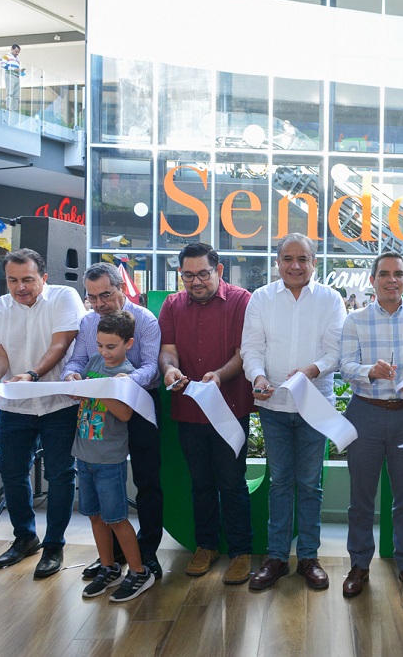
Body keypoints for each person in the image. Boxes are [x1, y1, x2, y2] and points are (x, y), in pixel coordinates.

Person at [241, 233, 346, 591]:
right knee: (280, 483)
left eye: (303, 259)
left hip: (314, 406)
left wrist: (311, 371)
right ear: (278, 262)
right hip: (272, 405)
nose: (295, 265)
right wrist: (257, 376)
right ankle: (276, 558)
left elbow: (335, 352)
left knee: (310, 485)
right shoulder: (261, 298)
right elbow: (251, 348)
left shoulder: (331, 299)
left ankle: (309, 558)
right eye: (288, 258)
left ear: (314, 263)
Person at [0, 248, 85, 578]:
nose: (20, 287)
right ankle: (25, 538)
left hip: (58, 402)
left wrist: (31, 374)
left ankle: (54, 545)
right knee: (12, 473)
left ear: (44, 277)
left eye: (27, 279)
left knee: (61, 474)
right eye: (12, 280)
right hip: (14, 405)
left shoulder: (64, 297)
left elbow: (61, 344)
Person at [339, 252, 403, 599]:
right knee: (360, 498)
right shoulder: (355, 320)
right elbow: (345, 366)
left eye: (398, 274)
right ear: (372, 280)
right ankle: (359, 565)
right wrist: (370, 371)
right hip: (365, 412)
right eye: (384, 274)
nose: (391, 280)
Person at [159, 243, 255, 582]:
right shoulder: (172, 305)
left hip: (230, 409)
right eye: (188, 276)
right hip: (189, 409)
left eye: (203, 274)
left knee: (232, 482)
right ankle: (206, 546)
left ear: (219, 271)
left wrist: (219, 375)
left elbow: (244, 354)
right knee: (199, 483)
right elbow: (167, 351)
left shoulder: (242, 301)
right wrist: (169, 369)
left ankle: (241, 552)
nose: (196, 282)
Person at [64, 262, 164, 579]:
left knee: (147, 481)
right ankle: (112, 557)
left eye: (105, 295)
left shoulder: (145, 320)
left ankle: (147, 554)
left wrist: (125, 381)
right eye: (92, 297)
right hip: (98, 409)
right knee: (102, 486)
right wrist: (71, 375)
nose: (99, 304)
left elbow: (151, 367)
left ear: (121, 287)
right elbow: (77, 360)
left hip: (139, 403)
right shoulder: (88, 322)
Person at [75, 310, 156, 603]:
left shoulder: (126, 374)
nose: (103, 352)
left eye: (111, 346)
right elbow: (81, 396)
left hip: (109, 458)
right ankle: (108, 567)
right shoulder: (94, 363)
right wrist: (77, 386)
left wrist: (100, 389)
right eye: (99, 345)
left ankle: (138, 572)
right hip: (83, 453)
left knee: (116, 518)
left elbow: (124, 414)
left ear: (128, 344)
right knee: (95, 516)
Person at [1, 44, 22, 111]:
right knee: (10, 93)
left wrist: (21, 71)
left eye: (18, 52)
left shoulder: (17, 59)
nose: (17, 53)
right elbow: (3, 65)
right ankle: (9, 109)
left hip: (17, 76)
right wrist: (13, 69)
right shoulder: (7, 56)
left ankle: (14, 110)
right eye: (16, 51)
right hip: (10, 74)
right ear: (12, 49)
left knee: (16, 95)